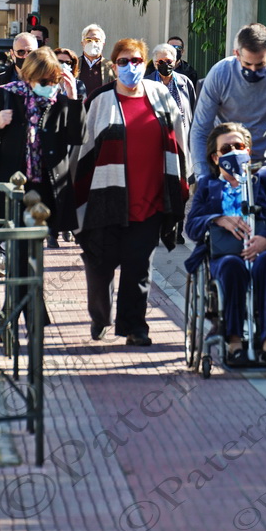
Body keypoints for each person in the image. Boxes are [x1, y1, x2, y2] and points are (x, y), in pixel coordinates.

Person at [74, 37, 189, 346]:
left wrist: (182, 182)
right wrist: (77, 197)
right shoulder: (100, 100)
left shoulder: (160, 95)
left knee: (138, 267)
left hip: (149, 201)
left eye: (136, 60)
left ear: (145, 63)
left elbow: (178, 140)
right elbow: (83, 150)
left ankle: (135, 327)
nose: (130, 67)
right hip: (106, 199)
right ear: (114, 66)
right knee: (100, 266)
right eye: (123, 62)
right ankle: (100, 317)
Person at [0, 46, 87, 321]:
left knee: (31, 251)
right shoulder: (5, 95)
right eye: (43, 80)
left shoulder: (60, 102)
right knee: (20, 251)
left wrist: (73, 98)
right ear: (28, 76)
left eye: (53, 80)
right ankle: (30, 314)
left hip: (45, 190)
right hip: (12, 189)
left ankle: (17, 311)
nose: (48, 86)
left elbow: (78, 137)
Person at [185, 122, 266, 366]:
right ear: (216, 158)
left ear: (248, 151)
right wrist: (218, 219)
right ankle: (234, 341)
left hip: (264, 250)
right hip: (226, 255)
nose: (234, 152)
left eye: (239, 146)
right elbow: (191, 226)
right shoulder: (208, 186)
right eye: (226, 149)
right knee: (231, 267)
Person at [190, 23, 266, 210]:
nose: (253, 70)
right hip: (226, 164)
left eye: (260, 64)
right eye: (247, 64)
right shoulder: (220, 74)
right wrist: (203, 177)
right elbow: (200, 129)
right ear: (236, 54)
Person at [0, 32, 39, 277]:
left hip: (36, 164)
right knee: (3, 212)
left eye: (30, 52)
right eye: (21, 52)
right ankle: (0, 255)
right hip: (6, 160)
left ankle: (23, 281)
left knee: (30, 229)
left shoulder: (48, 80)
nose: (25, 57)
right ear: (12, 54)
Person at [145, 42, 195, 244]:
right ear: (155, 63)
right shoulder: (146, 83)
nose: (165, 64)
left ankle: (176, 230)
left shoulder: (185, 82)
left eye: (169, 60)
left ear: (176, 61)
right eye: (161, 61)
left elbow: (193, 109)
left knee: (180, 187)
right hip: (154, 144)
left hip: (180, 142)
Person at [45, 47, 87, 248]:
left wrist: (71, 93)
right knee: (53, 187)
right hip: (53, 142)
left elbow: (80, 111)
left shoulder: (77, 85)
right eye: (59, 61)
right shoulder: (45, 83)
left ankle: (68, 227)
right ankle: (52, 232)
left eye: (68, 63)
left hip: (72, 141)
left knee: (67, 185)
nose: (63, 66)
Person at [78, 23, 114, 96]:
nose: (93, 43)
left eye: (97, 40)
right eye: (88, 40)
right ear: (82, 43)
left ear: (103, 44)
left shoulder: (111, 67)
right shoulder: (74, 64)